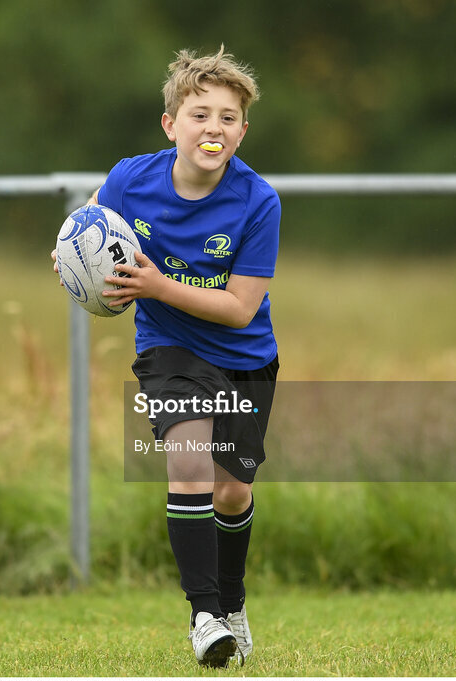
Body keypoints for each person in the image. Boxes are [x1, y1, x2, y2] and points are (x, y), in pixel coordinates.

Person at [63, 46, 280, 667]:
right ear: (171, 124)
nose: (213, 128)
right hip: (169, 349)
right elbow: (87, 227)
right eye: (199, 114)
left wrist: (157, 285)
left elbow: (240, 308)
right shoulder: (131, 177)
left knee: (232, 491)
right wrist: (70, 258)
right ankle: (204, 616)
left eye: (228, 118)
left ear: (243, 130)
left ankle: (232, 603)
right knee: (189, 469)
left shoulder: (258, 201)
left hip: (244, 355)